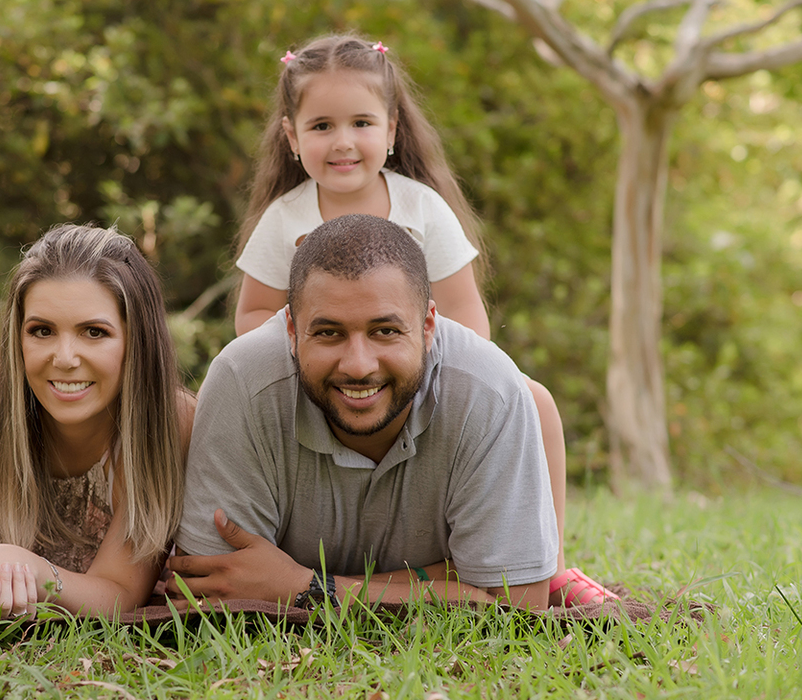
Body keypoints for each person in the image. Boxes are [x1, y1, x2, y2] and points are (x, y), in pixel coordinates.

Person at [231, 34, 614, 606]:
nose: (343, 142)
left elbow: (465, 315)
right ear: (291, 135)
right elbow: (253, 314)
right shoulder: (284, 221)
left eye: (361, 122)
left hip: (421, 379)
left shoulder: (421, 210)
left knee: (534, 401)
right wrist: (315, 350)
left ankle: (548, 562)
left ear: (391, 130)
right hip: (322, 384)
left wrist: (437, 373)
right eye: (320, 127)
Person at [170, 214, 558, 610]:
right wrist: (441, 580)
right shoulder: (242, 380)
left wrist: (300, 585)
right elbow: (210, 588)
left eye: (385, 331)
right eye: (328, 333)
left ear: (428, 326)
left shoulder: (488, 390)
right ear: (291, 331)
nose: (358, 366)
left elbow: (518, 607)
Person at [0, 224, 194, 619]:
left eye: (94, 332)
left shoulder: (170, 423)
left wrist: (33, 570)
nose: (65, 358)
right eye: (42, 331)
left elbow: (120, 594)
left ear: (136, 341)